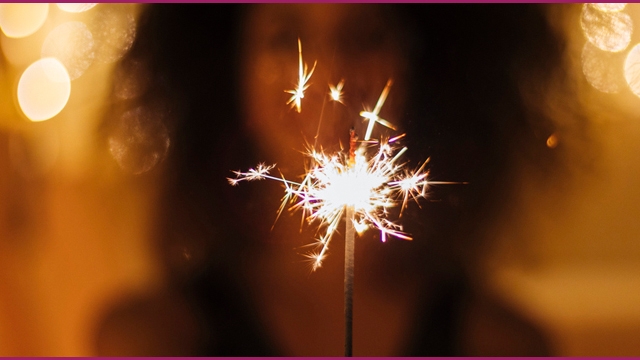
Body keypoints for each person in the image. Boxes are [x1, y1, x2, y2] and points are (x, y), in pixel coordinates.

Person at [94, 4, 557, 356]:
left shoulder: (502, 344)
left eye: (367, 36)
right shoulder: (151, 340)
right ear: (226, 68)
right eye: (283, 38)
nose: (330, 69)